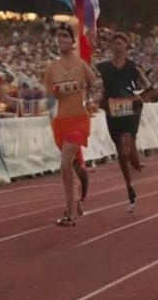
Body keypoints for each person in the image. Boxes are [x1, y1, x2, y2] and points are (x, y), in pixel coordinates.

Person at [44, 24, 97, 226]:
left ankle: (70, 210)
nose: (62, 41)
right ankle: (79, 201)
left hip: (79, 119)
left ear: (72, 41)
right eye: (59, 38)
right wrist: (59, 90)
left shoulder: (82, 64)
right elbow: (50, 93)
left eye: (65, 38)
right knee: (75, 165)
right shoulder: (52, 68)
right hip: (61, 121)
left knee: (65, 163)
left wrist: (89, 96)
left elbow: (93, 82)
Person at [96, 31, 150, 213]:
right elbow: (96, 85)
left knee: (127, 144)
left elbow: (146, 84)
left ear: (126, 47)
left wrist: (140, 91)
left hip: (130, 109)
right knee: (121, 151)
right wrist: (96, 98)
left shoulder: (133, 67)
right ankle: (130, 189)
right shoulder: (103, 67)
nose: (118, 46)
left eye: (121, 43)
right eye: (115, 43)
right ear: (111, 46)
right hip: (112, 110)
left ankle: (134, 158)